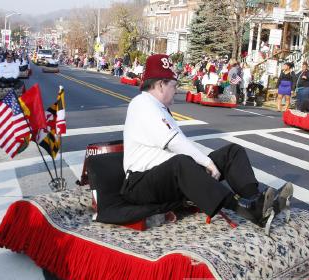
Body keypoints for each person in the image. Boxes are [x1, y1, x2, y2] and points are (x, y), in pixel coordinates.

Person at [122, 54, 292, 229]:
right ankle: (245, 209)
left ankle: (257, 201)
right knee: (182, 162)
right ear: (160, 85)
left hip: (169, 177)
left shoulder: (159, 107)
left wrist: (203, 165)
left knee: (231, 153)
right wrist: (206, 162)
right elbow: (175, 143)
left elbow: (178, 147)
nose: (176, 90)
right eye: (174, 85)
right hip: (140, 183)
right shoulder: (142, 103)